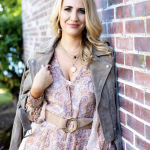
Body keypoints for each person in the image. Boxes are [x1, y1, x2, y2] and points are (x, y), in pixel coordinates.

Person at [10, 0, 122, 149]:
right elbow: (29, 116)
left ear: (89, 16)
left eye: (81, 11)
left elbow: (107, 112)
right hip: (44, 143)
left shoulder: (103, 59)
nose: (74, 17)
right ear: (59, 13)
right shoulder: (41, 57)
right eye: (68, 9)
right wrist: (36, 89)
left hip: (87, 144)